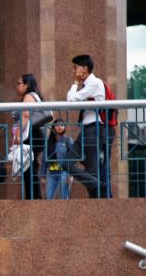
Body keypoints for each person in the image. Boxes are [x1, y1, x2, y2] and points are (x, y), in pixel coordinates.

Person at [66, 54, 107, 198]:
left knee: (90, 170)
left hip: (94, 130)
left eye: (75, 68)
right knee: (67, 163)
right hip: (87, 130)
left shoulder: (94, 83)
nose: (73, 71)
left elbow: (71, 100)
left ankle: (97, 186)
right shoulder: (89, 85)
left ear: (84, 69)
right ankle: (97, 184)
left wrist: (75, 82)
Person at [13, 74, 45, 200]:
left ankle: (33, 198)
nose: (17, 86)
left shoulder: (28, 96)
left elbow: (25, 115)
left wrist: (18, 134)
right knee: (30, 167)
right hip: (35, 134)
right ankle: (33, 197)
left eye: (19, 83)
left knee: (30, 168)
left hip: (32, 134)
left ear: (27, 85)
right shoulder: (33, 96)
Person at [42, 119, 74, 200]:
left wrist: (70, 175)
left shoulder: (68, 140)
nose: (59, 127)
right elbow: (44, 160)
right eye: (57, 125)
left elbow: (72, 158)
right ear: (53, 128)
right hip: (52, 172)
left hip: (64, 171)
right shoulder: (49, 142)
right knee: (49, 197)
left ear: (65, 127)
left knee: (63, 196)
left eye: (62, 125)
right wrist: (43, 176)